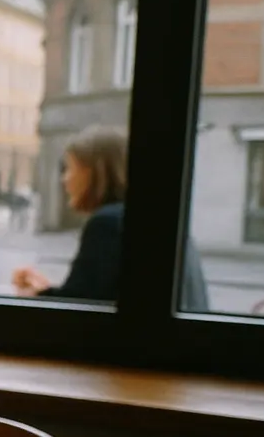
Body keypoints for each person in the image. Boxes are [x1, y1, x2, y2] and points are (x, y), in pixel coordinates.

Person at [14, 126, 210, 311]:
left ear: (95, 172)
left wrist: (36, 295)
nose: (64, 179)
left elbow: (78, 311)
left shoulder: (107, 224)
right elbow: (95, 296)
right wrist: (44, 289)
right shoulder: (151, 218)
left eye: (70, 168)